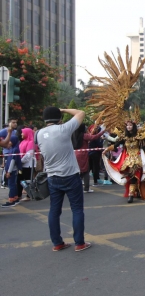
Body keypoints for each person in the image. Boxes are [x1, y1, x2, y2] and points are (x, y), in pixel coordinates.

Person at [36, 107, 91, 252]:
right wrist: (64, 109)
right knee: (77, 209)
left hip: (52, 177)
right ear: (59, 119)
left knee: (54, 210)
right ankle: (79, 243)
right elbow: (81, 113)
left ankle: (57, 243)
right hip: (70, 175)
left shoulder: (39, 134)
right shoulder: (63, 129)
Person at [102, 120, 145, 203]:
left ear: (133, 126)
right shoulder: (124, 137)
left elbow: (144, 148)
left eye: (130, 125)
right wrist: (107, 150)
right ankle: (135, 192)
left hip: (137, 160)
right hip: (127, 161)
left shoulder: (139, 137)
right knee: (130, 177)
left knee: (134, 177)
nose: (129, 127)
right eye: (127, 125)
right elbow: (115, 145)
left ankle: (131, 195)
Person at [72, 124, 105, 193]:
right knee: (86, 171)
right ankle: (86, 188)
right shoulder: (83, 135)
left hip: (75, 154)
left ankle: (75, 187)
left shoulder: (74, 135)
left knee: (79, 171)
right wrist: (102, 131)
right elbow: (94, 137)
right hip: (83, 155)